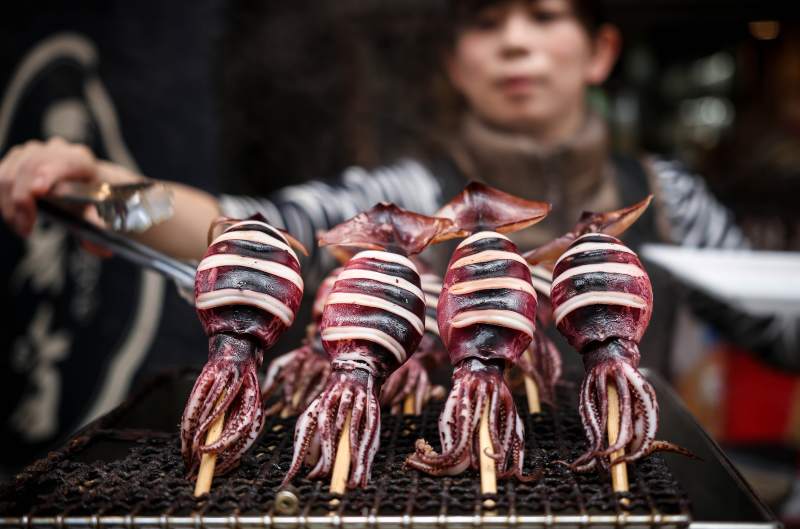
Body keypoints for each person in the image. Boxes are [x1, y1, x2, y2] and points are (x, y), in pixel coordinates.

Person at [0, 1, 794, 384]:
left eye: (544, 16)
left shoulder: (667, 194)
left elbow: (776, 326)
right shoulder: (413, 193)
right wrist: (108, 192)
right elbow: (252, 233)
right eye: (486, 23)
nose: (515, 41)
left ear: (599, 51)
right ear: (455, 63)